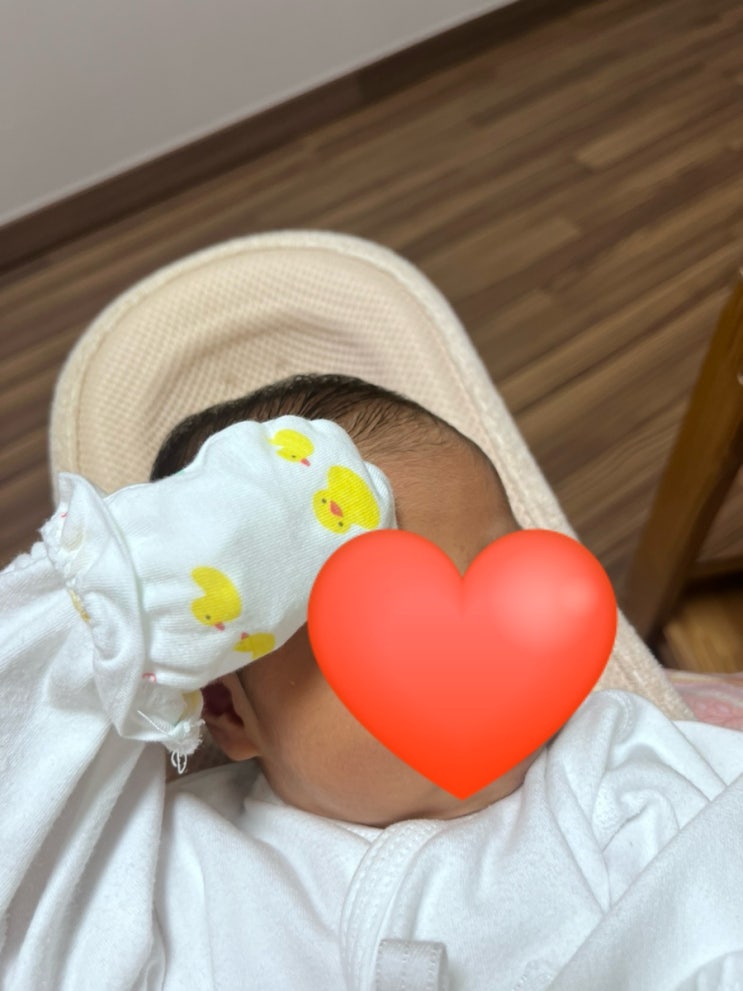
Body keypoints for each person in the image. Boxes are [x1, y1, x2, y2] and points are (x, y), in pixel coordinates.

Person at [2, 373, 742, 991]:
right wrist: (133, 580)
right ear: (228, 706)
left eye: (502, 582)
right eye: (396, 626)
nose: (483, 654)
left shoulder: (609, 766)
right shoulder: (168, 863)